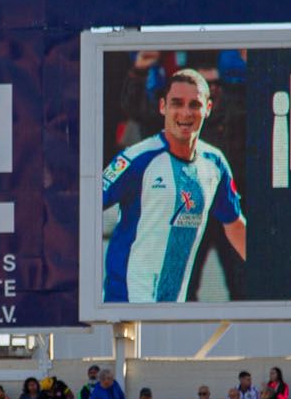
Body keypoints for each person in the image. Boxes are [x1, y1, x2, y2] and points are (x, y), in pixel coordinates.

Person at [99, 67, 246, 303]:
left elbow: (235, 226)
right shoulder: (137, 159)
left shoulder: (214, 163)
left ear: (208, 109)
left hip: (172, 310)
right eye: (176, 103)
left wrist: (271, 279)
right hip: (125, 308)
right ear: (162, 107)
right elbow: (83, 208)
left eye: (194, 105)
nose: (185, 113)